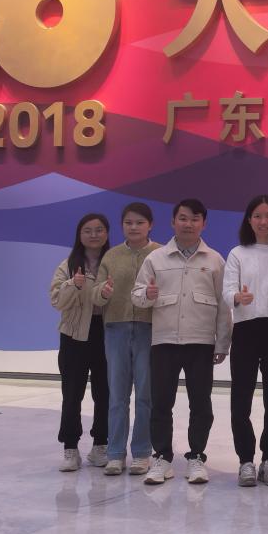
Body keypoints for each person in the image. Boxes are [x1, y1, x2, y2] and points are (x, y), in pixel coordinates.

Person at [130, 198, 231, 485]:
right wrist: (146, 295)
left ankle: (196, 457)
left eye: (195, 219)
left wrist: (223, 343)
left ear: (204, 224)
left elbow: (224, 306)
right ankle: (162, 457)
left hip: (201, 342)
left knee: (201, 404)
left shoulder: (214, 260)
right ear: (173, 222)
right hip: (164, 341)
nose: (188, 224)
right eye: (183, 218)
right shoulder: (156, 259)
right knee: (161, 402)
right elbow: (137, 294)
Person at [223, 194, 268, 488]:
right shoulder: (238, 253)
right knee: (241, 398)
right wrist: (237, 297)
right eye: (257, 216)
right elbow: (227, 290)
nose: (263, 221)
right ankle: (245, 460)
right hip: (246, 329)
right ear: (249, 220)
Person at [93, 202, 161, 476]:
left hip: (149, 328)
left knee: (145, 394)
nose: (134, 227)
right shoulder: (111, 256)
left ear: (150, 225)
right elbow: (96, 295)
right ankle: (115, 454)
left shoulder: (160, 254)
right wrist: (103, 292)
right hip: (116, 329)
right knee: (117, 395)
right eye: (128, 223)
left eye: (140, 222)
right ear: (122, 225)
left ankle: (142, 453)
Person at [49, 212, 112, 472]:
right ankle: (70, 448)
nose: (94, 235)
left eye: (99, 230)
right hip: (74, 335)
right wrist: (73, 286)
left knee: (105, 393)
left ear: (107, 233)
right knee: (72, 393)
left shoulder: (113, 261)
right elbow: (56, 301)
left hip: (107, 333)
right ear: (79, 234)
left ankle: (101, 445)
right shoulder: (68, 264)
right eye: (88, 230)